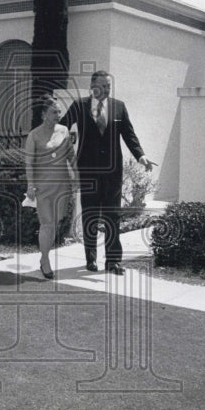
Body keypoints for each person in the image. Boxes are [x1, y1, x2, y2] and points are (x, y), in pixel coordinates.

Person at [62, 71, 154, 275]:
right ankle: (90, 259)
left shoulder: (119, 106)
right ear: (92, 86)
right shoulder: (79, 105)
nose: (105, 90)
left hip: (113, 171)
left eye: (108, 87)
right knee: (90, 215)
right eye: (102, 86)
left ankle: (113, 262)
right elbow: (62, 126)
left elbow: (129, 135)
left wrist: (141, 156)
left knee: (113, 216)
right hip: (88, 171)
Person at [24, 94, 78, 280]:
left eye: (59, 112)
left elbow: (71, 156)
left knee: (54, 223)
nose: (58, 114)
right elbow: (29, 163)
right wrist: (30, 184)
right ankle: (45, 260)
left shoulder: (64, 131)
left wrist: (76, 178)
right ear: (44, 114)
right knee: (46, 223)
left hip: (62, 185)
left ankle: (44, 256)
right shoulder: (34, 135)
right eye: (54, 111)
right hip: (42, 186)